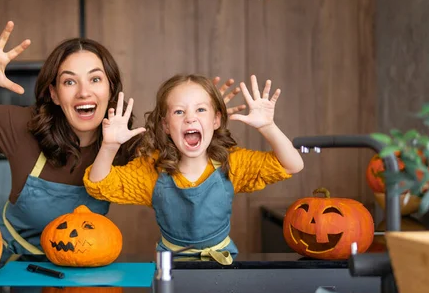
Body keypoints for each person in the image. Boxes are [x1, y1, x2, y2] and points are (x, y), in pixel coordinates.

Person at [0, 19, 244, 261]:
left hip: (77, 262)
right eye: (69, 82)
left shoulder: (129, 144)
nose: (85, 91)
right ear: (55, 95)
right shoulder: (22, 124)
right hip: (2, 260)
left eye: (95, 79)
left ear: (111, 90)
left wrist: (202, 117)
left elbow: (190, 172)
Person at [83, 74, 304, 265]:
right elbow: (99, 185)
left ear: (216, 119)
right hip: (171, 268)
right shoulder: (150, 170)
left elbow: (292, 164)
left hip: (221, 266)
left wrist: (268, 127)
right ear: (165, 125)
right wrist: (109, 146)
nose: (190, 118)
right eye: (179, 112)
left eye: (200, 109)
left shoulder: (233, 163)